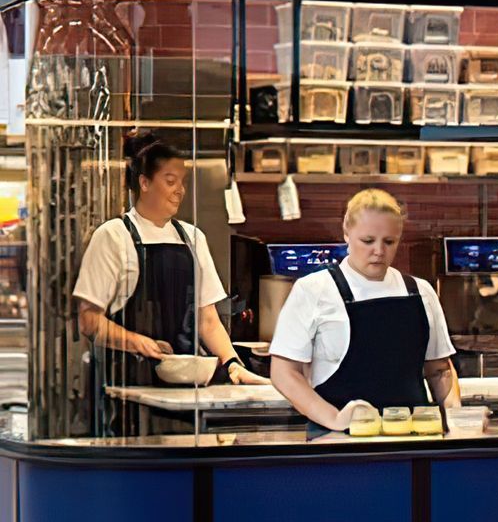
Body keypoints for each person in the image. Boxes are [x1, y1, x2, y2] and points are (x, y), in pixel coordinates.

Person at [73, 132, 263, 405]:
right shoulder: (113, 236)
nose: (180, 191)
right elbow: (89, 320)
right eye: (171, 181)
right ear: (145, 183)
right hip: (128, 390)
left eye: (182, 182)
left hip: (187, 390)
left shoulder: (193, 237)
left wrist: (232, 363)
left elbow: (208, 320)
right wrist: (138, 342)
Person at [268, 188, 455, 433]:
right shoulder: (314, 290)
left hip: (411, 438)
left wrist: (456, 420)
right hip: (338, 439)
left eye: (389, 242)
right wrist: (335, 419)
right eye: (368, 241)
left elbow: (440, 371)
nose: (379, 251)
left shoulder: (420, 292)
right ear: (346, 233)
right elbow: (284, 373)